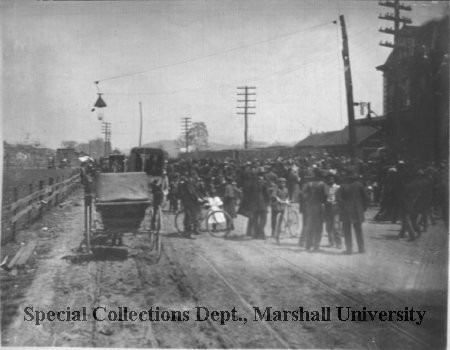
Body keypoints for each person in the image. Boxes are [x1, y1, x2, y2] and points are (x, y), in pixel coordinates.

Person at [336, 170, 370, 254]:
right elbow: (366, 198)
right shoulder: (360, 185)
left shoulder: (343, 186)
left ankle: (349, 249)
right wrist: (363, 208)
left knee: (347, 231)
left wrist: (342, 207)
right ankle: (361, 249)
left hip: (346, 211)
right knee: (358, 230)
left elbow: (338, 198)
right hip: (357, 210)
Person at [302, 168, 328, 251]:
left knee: (310, 226)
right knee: (318, 227)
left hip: (310, 207)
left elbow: (303, 194)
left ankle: (308, 245)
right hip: (319, 207)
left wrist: (307, 200)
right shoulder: (323, 184)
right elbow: (326, 196)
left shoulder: (309, 184)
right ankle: (316, 246)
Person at [324, 174, 342, 248]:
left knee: (336, 226)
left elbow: (340, 198)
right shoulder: (326, 187)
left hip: (335, 208)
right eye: (329, 179)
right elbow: (324, 197)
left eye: (332, 179)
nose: (330, 180)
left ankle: (338, 243)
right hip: (328, 208)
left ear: (334, 179)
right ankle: (331, 242)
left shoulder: (338, 187)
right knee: (328, 226)